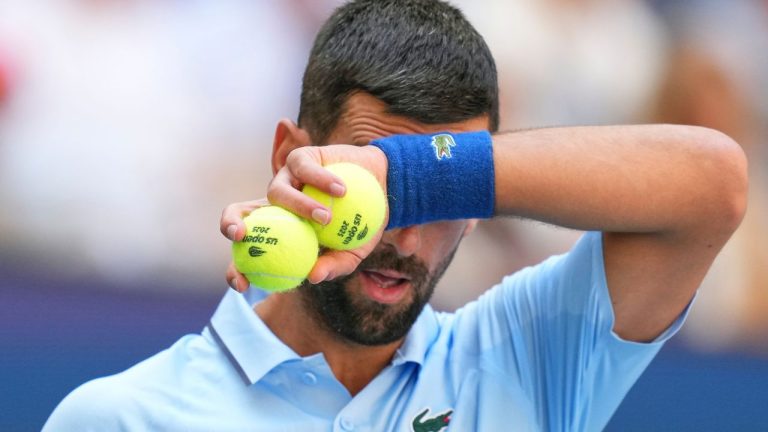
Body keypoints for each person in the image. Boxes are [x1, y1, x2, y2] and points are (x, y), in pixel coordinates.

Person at [44, 0, 747, 431]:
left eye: (438, 201)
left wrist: (400, 176)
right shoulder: (118, 418)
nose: (404, 238)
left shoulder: (526, 358)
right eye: (366, 197)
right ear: (290, 154)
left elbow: (712, 182)